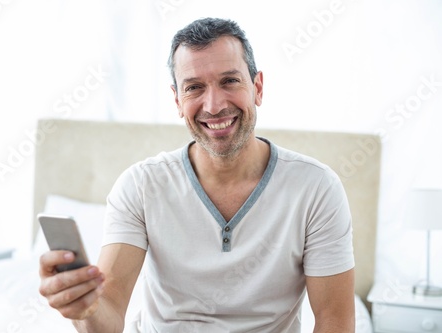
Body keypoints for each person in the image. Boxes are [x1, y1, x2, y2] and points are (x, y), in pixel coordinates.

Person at [39, 17, 355, 332]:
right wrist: (83, 310)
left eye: (230, 81)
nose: (214, 105)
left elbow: (335, 322)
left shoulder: (316, 189)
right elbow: (106, 320)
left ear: (257, 88)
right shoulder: (140, 186)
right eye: (194, 88)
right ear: (178, 101)